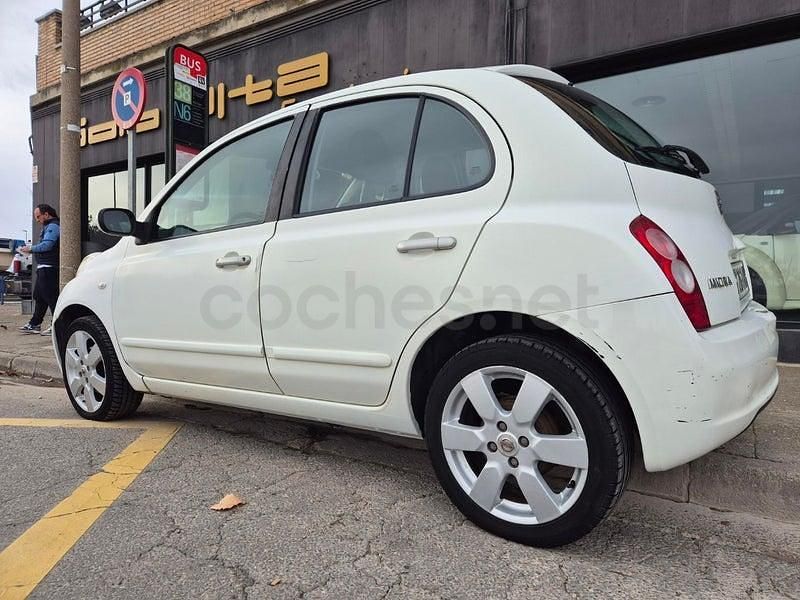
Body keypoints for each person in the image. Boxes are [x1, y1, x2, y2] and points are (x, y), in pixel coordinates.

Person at [19, 204, 60, 335]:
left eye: (38, 216)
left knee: (51, 297)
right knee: (40, 296)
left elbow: (47, 245)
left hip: (49, 267)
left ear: (46, 215)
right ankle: (35, 324)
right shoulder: (49, 226)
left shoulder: (53, 226)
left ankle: (57, 325)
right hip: (44, 267)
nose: (37, 220)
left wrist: (30, 249)